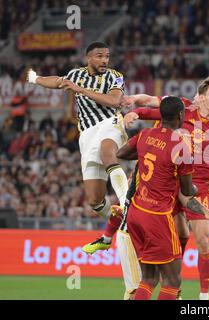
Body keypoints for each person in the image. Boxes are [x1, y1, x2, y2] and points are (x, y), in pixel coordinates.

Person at [105, 75, 209, 300]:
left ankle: (204, 295)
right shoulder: (183, 109)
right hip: (172, 185)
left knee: (203, 241)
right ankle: (172, 283)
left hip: (198, 188)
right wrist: (136, 111)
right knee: (180, 234)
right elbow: (155, 109)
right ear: (201, 97)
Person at [26, 42, 135, 298]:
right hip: (86, 135)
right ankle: (116, 217)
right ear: (88, 58)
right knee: (95, 201)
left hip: (109, 124)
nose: (104, 60)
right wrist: (36, 78)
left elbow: (113, 101)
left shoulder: (114, 76)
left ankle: (125, 201)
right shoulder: (75, 74)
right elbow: (59, 82)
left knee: (109, 151)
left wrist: (80, 90)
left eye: (107, 55)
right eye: (99, 56)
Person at [116, 96, 209, 300]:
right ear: (181, 115)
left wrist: (144, 156)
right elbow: (188, 191)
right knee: (172, 281)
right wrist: (200, 189)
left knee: (148, 279)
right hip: (157, 217)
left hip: (136, 213)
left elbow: (121, 153)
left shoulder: (145, 134)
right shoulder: (181, 148)